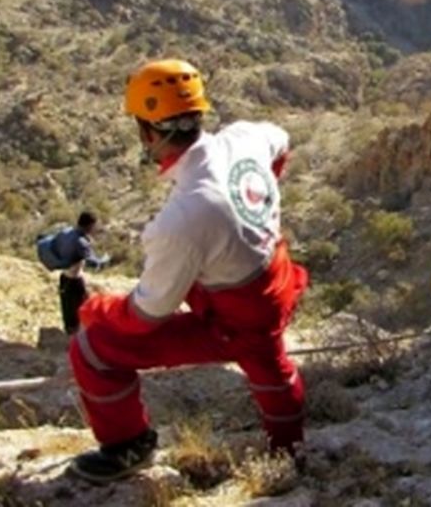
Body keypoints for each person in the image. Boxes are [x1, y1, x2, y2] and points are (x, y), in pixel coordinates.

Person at [67, 58, 309, 484]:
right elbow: (280, 139)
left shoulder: (183, 219)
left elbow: (147, 315)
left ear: (148, 131)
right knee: (271, 366)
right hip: (277, 281)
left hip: (236, 321)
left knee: (93, 348)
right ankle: (290, 450)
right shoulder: (246, 137)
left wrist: (97, 309)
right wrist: (255, 205)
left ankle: (129, 445)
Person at [36, 211, 111, 334]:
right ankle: (80, 335)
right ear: (89, 225)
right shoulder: (81, 242)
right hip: (75, 280)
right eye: (94, 226)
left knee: (67, 308)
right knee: (82, 308)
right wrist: (105, 259)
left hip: (64, 278)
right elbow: (93, 262)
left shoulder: (67, 232)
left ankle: (70, 331)